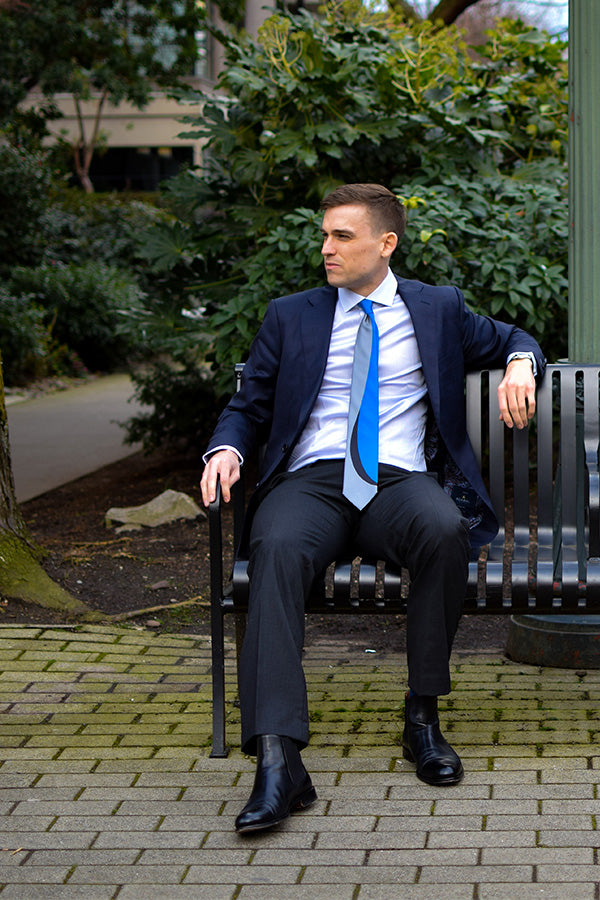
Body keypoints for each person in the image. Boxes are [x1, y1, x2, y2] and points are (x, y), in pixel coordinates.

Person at [201, 183, 546, 834]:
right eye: (324, 234)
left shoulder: (438, 310)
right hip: (314, 480)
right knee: (272, 549)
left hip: (396, 480)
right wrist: (225, 449)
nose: (326, 248)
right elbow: (249, 405)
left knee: (445, 528)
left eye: (342, 236)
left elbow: (514, 336)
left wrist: (522, 364)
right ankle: (277, 758)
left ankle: (422, 717)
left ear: (386, 244)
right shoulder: (291, 315)